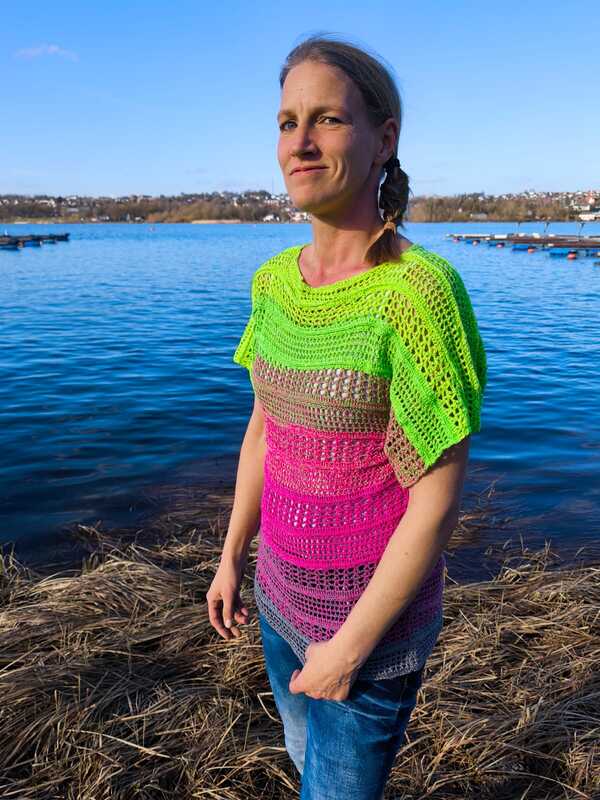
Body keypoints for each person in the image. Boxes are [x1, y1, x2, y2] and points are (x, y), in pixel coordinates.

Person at [206, 34, 487, 800]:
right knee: (303, 761)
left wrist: (348, 650)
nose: (299, 142)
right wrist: (232, 556)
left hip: (370, 639)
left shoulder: (418, 295)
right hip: (278, 601)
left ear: (383, 140)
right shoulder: (272, 283)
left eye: (326, 119)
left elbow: (436, 501)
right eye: (287, 121)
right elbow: (264, 431)